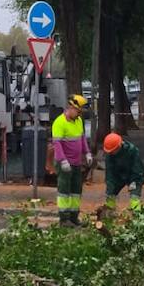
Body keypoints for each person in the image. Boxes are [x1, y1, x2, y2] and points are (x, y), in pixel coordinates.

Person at [53, 94, 92, 226]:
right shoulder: (59, 122)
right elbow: (57, 144)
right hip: (64, 163)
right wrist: (63, 160)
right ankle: (64, 219)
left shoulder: (78, 120)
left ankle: (74, 217)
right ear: (71, 108)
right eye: (78, 111)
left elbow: (82, 138)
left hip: (76, 162)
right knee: (64, 191)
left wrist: (87, 153)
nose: (79, 115)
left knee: (76, 191)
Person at [102, 132, 144, 211]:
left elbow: (137, 168)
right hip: (118, 176)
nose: (111, 152)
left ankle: (136, 214)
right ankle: (109, 213)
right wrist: (110, 187)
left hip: (133, 175)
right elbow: (109, 173)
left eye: (113, 151)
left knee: (134, 197)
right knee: (110, 195)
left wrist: (134, 181)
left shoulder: (132, 150)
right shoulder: (109, 155)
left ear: (118, 146)